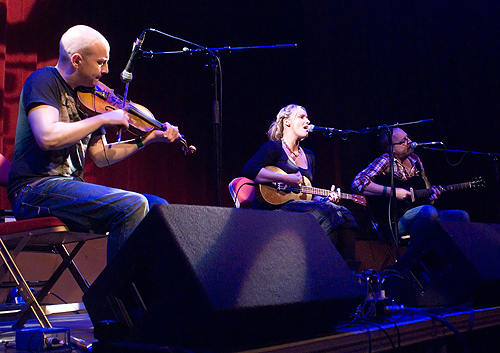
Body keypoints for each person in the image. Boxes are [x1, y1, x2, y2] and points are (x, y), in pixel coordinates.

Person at [7, 25, 181, 262]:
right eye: (101, 62)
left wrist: (147, 139)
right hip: (34, 190)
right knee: (132, 205)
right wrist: (103, 118)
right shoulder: (45, 80)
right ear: (77, 60)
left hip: (66, 191)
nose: (106, 70)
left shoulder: (89, 97)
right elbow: (47, 136)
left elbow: (101, 156)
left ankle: (147, 292)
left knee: (159, 209)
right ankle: (115, 296)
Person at [241, 104, 359, 267]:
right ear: (287, 122)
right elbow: (249, 169)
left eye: (307, 117)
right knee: (328, 213)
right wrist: (286, 179)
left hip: (299, 208)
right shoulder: (274, 148)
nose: (308, 121)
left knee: (345, 214)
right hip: (274, 210)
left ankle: (348, 273)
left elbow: (306, 193)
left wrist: (324, 198)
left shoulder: (309, 156)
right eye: (301, 117)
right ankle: (315, 267)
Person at [351, 127, 470, 243]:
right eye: (404, 141)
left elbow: (425, 194)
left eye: (408, 138)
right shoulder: (386, 160)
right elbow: (357, 183)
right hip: (393, 222)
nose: (410, 142)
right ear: (391, 149)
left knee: (461, 216)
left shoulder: (415, 160)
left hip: (420, 215)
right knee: (429, 212)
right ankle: (414, 258)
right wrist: (393, 191)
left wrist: (432, 197)